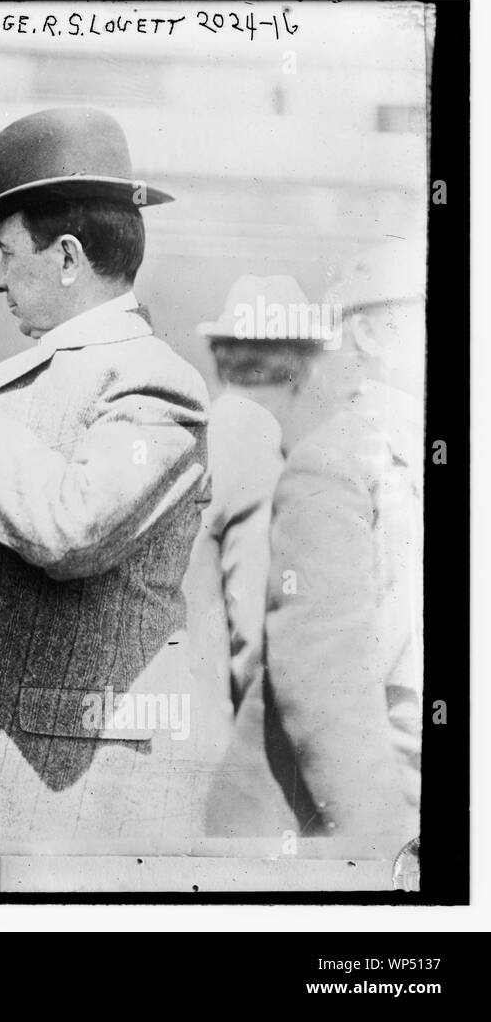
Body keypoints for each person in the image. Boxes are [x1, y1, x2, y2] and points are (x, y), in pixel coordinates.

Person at [0, 107, 212, 845]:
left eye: (5, 253)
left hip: (60, 806)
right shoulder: (40, 374)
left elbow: (71, 529)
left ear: (65, 256)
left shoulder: (155, 382)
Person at [212, 241, 424, 853]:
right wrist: (391, 862)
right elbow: (327, 691)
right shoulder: (337, 465)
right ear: (373, 334)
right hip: (341, 833)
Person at [183, 276, 326, 765]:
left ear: (221, 358)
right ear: (301, 367)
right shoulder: (258, 450)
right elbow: (258, 641)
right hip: (219, 754)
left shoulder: (194, 435)